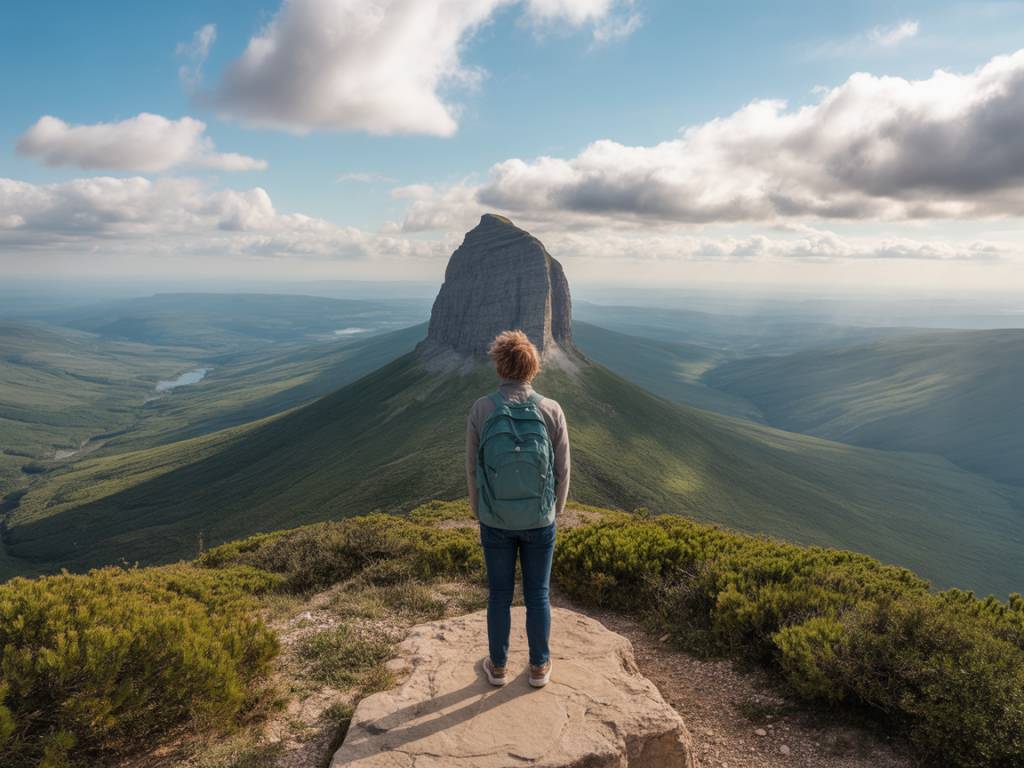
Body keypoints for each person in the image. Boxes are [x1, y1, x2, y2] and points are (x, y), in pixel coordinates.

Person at [466, 329, 571, 689]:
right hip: (540, 519)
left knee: (498, 594)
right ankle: (539, 667)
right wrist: (553, 511)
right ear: (533, 367)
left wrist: (479, 510)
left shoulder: (482, 408)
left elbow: (472, 467)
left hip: (495, 518)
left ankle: (497, 667)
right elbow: (563, 469)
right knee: (538, 593)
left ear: (500, 365)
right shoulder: (551, 409)